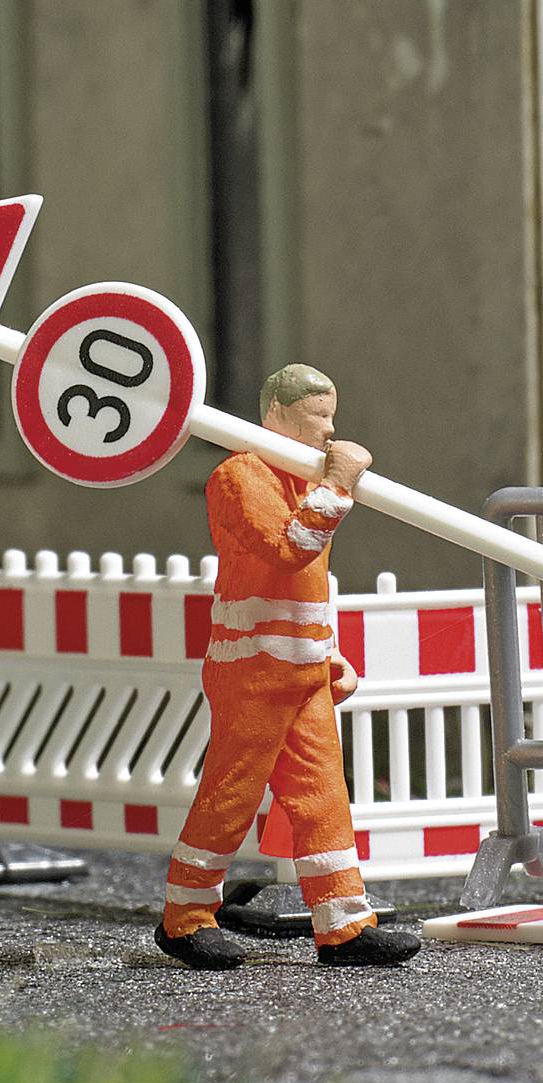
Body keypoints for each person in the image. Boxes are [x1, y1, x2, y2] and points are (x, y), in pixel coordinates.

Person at [156, 362, 423, 971]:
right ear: (275, 413)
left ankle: (344, 923)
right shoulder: (239, 477)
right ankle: (186, 916)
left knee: (324, 799)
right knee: (231, 795)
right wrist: (340, 483)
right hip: (250, 671)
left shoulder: (306, 480)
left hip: (301, 672)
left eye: (331, 419)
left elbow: (310, 587)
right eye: (315, 419)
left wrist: (328, 656)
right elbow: (287, 551)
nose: (327, 432)